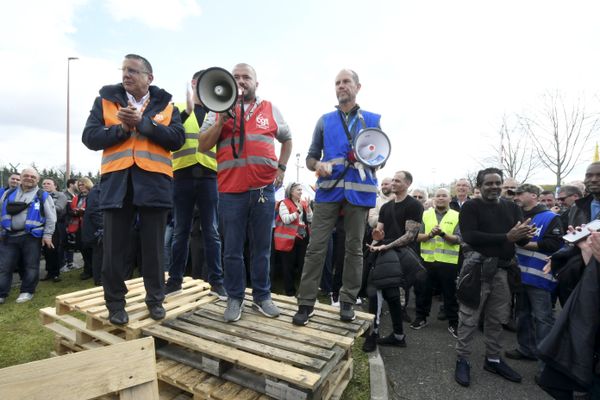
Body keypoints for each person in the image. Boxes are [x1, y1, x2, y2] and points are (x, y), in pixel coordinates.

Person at [82, 54, 185, 325]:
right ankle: (115, 304)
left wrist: (144, 124)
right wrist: (122, 129)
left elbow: (177, 139)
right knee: (114, 250)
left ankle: (155, 300)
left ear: (149, 78)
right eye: (124, 70)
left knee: (153, 250)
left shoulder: (167, 105)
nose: (126, 75)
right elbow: (90, 137)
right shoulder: (104, 101)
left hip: (155, 185)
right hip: (117, 183)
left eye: (133, 71)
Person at [198, 63, 292, 322]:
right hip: (230, 191)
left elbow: (287, 138)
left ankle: (262, 296)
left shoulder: (270, 109)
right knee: (232, 250)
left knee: (262, 248)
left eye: (246, 77)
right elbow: (202, 146)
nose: (241, 81)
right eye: (236, 77)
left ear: (256, 83)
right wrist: (221, 122)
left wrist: (281, 168)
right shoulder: (216, 109)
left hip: (263, 190)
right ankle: (235, 298)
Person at [292, 69, 380, 325]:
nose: (341, 86)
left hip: (360, 191)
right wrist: (317, 165)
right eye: (337, 83)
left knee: (354, 249)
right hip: (329, 190)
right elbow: (310, 157)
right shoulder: (325, 120)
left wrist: (370, 159)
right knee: (316, 246)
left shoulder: (372, 120)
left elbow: (380, 157)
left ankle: (348, 302)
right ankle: (306, 302)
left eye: (346, 82)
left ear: (358, 87)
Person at [454, 167, 536, 387]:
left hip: (503, 272)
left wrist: (523, 235)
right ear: (479, 186)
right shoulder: (471, 206)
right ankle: (462, 359)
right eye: (489, 183)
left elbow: (517, 241)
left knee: (497, 318)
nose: (494, 186)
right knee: (469, 318)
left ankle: (493, 359)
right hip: (478, 271)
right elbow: (470, 236)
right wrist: (507, 236)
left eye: (497, 182)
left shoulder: (512, 207)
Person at [166, 70, 225, 300]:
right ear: (193, 84)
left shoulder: (218, 113)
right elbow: (169, 135)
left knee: (211, 231)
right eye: (201, 83)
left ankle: (217, 282)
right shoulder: (177, 107)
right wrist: (186, 110)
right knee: (180, 231)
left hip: (210, 177)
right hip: (182, 175)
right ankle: (174, 281)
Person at [362, 170, 423, 352]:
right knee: (384, 295)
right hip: (383, 255)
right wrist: (374, 242)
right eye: (393, 180)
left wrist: (385, 246)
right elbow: (379, 231)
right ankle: (397, 336)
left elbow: (410, 236)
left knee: (382, 294)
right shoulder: (386, 207)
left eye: (397, 180)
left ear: (407, 184)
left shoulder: (414, 205)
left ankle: (374, 336)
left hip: (400, 256)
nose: (393, 183)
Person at [505, 184, 562, 364]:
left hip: (539, 278)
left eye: (520, 194)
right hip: (519, 276)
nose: (516, 197)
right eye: (515, 194)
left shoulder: (551, 218)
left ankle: (545, 361)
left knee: (543, 318)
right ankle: (526, 349)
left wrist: (521, 243)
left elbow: (554, 245)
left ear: (534, 195)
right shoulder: (517, 216)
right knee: (522, 315)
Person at [0, 167, 56, 304]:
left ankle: (27, 291)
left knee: (31, 265)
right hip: (8, 236)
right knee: (4, 266)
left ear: (37, 180)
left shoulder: (42, 195)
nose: (29, 178)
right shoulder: (8, 193)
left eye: (33, 177)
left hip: (31, 236)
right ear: (21, 177)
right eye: (26, 175)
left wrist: (47, 235)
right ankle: (1, 293)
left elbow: (51, 217)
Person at [414, 188, 461, 337]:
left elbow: (459, 239)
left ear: (449, 199)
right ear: (434, 199)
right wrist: (429, 235)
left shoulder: (457, 216)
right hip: (427, 260)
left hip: (448, 262)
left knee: (450, 294)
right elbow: (417, 236)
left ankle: (454, 323)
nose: (440, 198)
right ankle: (421, 318)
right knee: (424, 291)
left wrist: (442, 234)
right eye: (438, 196)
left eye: (444, 196)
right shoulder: (425, 214)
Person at [274, 182, 313, 296]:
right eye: (298, 190)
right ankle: (289, 292)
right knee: (288, 266)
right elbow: (286, 219)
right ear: (291, 191)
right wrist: (298, 212)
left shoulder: (304, 203)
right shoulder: (284, 203)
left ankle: (303, 292)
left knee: (303, 266)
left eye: (301, 190)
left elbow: (311, 219)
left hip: (302, 238)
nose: (301, 192)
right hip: (288, 240)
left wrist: (309, 208)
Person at [40, 178, 68, 282]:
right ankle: (49, 272)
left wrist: (44, 207)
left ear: (55, 185)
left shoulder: (60, 195)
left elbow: (59, 208)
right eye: (44, 183)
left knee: (54, 248)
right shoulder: (40, 195)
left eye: (48, 183)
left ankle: (56, 273)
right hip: (42, 225)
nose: (46, 185)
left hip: (57, 224)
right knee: (46, 250)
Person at [67, 178, 94, 280]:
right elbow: (70, 210)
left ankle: (93, 269)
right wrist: (75, 212)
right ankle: (87, 269)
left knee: (91, 249)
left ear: (88, 184)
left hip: (90, 225)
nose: (81, 186)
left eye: (83, 184)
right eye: (79, 185)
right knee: (83, 248)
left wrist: (84, 211)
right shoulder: (76, 198)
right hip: (79, 226)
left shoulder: (93, 195)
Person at [62, 177, 78, 270]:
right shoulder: (64, 195)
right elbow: (65, 210)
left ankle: (70, 263)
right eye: (76, 183)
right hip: (66, 223)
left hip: (74, 223)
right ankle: (63, 264)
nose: (78, 185)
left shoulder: (76, 195)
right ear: (71, 184)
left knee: (71, 243)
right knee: (65, 243)